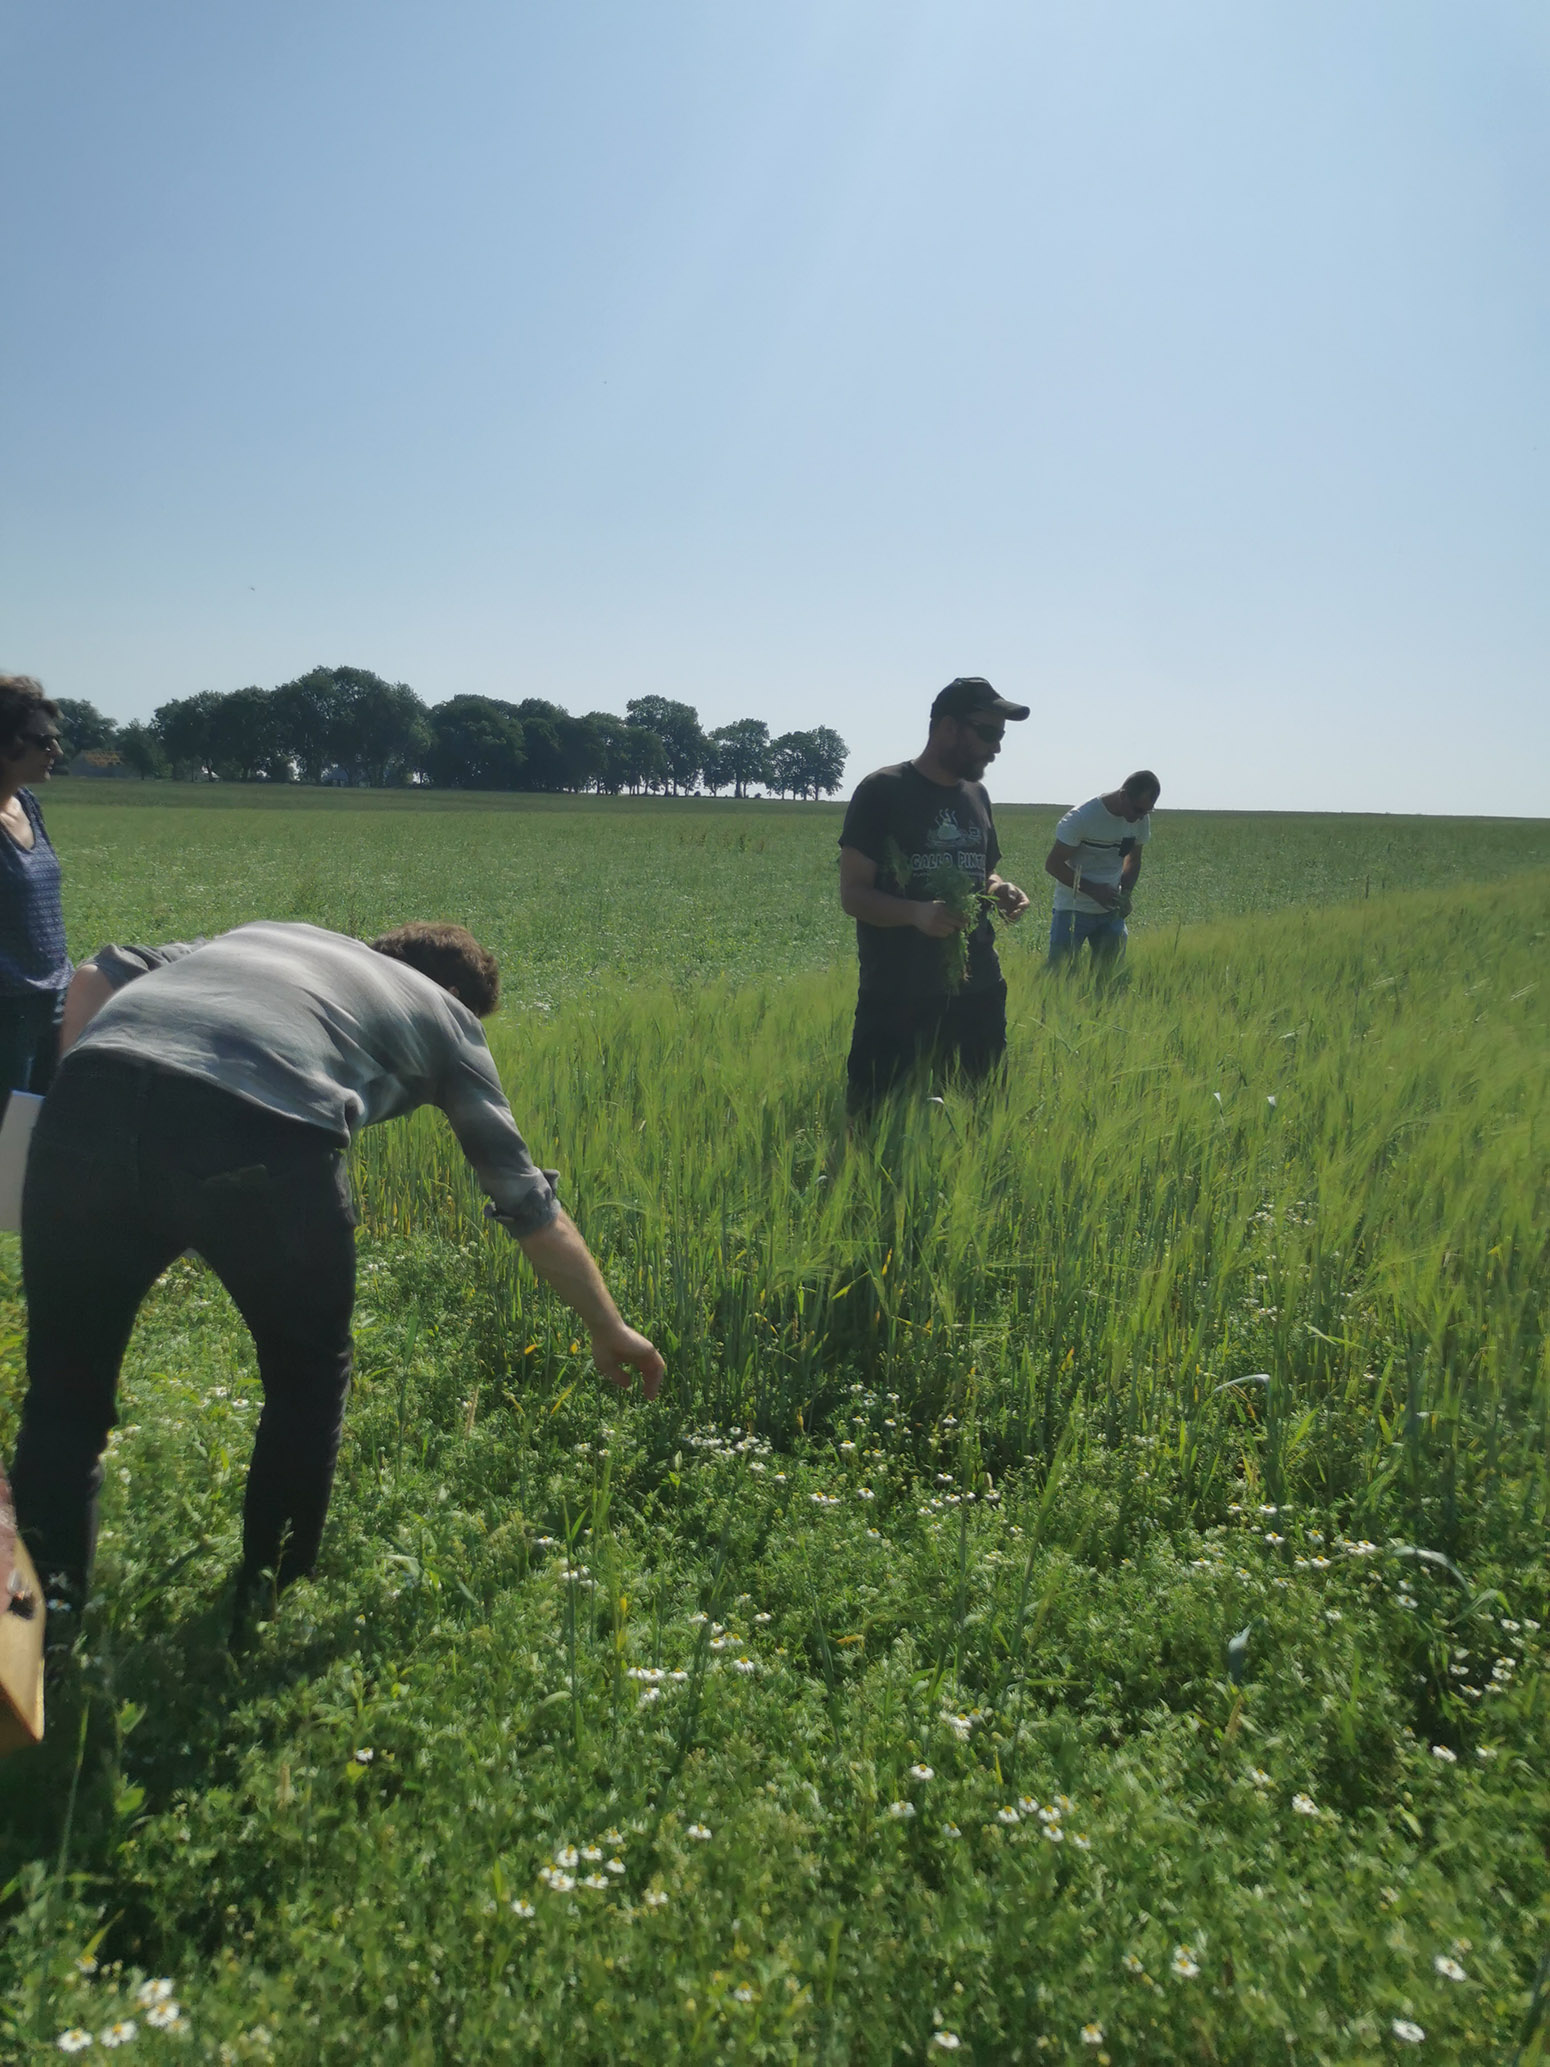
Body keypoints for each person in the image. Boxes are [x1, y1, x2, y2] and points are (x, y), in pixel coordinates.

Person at [8, 919, 664, 1625]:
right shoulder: (444, 1014)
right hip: (260, 1129)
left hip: (86, 1099)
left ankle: (42, 1639)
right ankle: (262, 1610)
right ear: (455, 995)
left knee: (64, 1397)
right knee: (305, 1383)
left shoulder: (273, 934)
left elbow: (95, 974)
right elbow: (527, 1203)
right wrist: (609, 1325)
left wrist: (92, 1100)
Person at [838, 677, 1031, 1112]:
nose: (997, 747)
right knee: (875, 1121)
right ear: (947, 727)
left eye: (1001, 736)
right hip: (897, 996)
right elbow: (853, 895)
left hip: (978, 988)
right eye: (988, 733)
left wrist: (1000, 890)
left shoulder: (977, 796)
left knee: (978, 1114)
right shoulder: (882, 791)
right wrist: (915, 914)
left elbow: (982, 872)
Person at [0, 678, 70, 1110]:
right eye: (43, 741)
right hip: (7, 1010)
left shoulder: (28, 804)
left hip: (53, 1000)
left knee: (36, 1130)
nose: (56, 753)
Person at [1043, 770, 1161, 970]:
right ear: (1123, 795)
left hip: (1110, 914)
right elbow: (1053, 864)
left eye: (1147, 812)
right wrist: (1094, 890)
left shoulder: (1140, 820)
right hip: (1071, 911)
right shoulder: (1082, 818)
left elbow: (1133, 860)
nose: (1140, 817)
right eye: (1137, 809)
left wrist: (1125, 895)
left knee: (1109, 979)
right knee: (1059, 976)